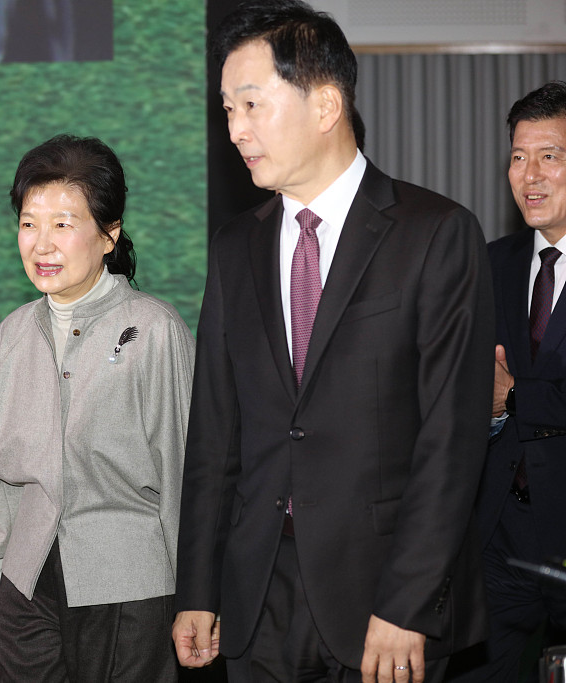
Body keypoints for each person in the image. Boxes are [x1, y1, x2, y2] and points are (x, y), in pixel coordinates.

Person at [171, 2, 494, 682]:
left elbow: (452, 436)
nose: (235, 130)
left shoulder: (434, 233)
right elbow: (214, 434)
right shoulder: (237, 247)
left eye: (252, 104)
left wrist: (407, 601)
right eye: (227, 109)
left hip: (382, 597)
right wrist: (198, 587)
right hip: (257, 594)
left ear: (324, 104)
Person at [0, 134, 194, 682]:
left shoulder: (154, 329)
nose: (41, 243)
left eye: (63, 223)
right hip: (26, 578)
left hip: (128, 582)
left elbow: (183, 476)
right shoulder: (13, 332)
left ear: (109, 235)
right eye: (29, 223)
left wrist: (196, 597)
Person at [448, 81, 566, 681]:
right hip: (500, 533)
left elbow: (508, 385)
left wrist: (514, 395)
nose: (530, 174)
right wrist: (492, 409)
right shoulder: (489, 262)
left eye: (551, 155)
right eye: (519, 157)